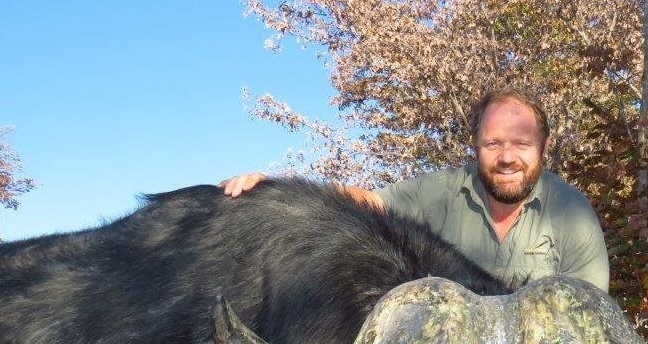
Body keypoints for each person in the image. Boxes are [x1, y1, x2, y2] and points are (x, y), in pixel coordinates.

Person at [220, 88, 609, 291]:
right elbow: (369, 203)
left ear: (543, 147)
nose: (507, 157)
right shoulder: (441, 191)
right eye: (493, 144)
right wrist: (280, 190)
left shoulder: (571, 213)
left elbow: (588, 318)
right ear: (475, 147)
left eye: (522, 145)